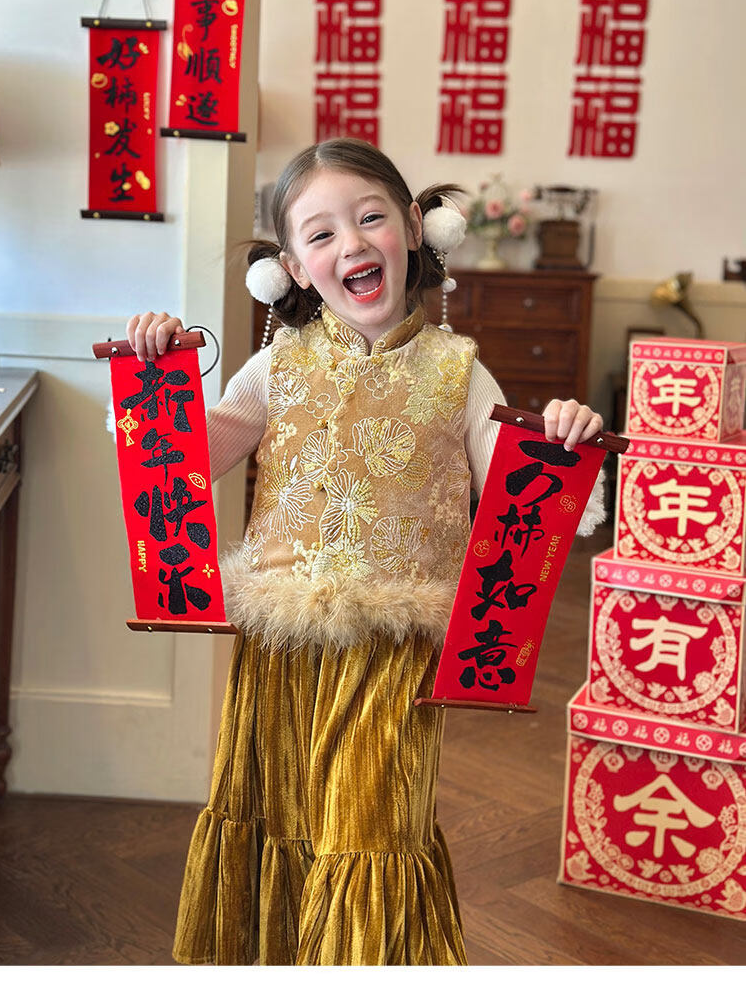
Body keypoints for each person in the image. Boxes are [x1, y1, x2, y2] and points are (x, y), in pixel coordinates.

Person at [122, 138, 605, 966]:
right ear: (293, 270)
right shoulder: (277, 365)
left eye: (370, 218)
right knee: (275, 811)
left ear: (415, 227)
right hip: (279, 644)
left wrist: (563, 432)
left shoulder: (459, 373)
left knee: (372, 829)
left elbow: (517, 487)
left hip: (395, 648)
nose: (350, 242)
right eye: (320, 234)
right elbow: (191, 453)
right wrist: (156, 369)